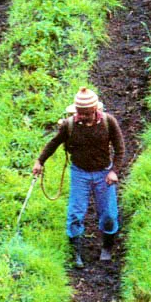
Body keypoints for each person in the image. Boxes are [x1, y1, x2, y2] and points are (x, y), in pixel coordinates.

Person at [32, 86, 125, 267]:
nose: (81, 117)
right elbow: (53, 144)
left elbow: (120, 149)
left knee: (109, 215)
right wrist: (39, 162)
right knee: (75, 213)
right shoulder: (69, 125)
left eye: (85, 114)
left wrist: (115, 171)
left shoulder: (108, 122)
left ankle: (107, 248)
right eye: (79, 113)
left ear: (95, 110)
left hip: (103, 173)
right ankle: (77, 252)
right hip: (79, 173)